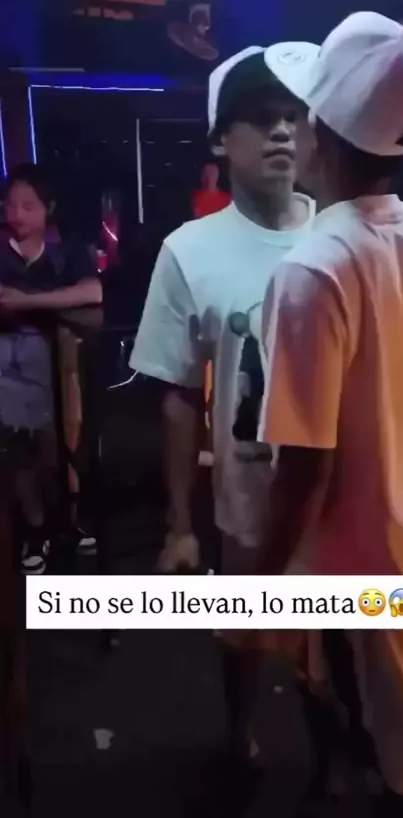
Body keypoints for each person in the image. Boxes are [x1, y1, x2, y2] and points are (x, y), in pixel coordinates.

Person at [246, 13, 403, 816]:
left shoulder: (315, 268)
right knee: (383, 760)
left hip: (361, 582)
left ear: (323, 129)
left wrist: (257, 598)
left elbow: (302, 468)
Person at [130, 45, 316, 574]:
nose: (282, 131)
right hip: (247, 519)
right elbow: (180, 395)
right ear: (219, 139)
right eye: (261, 116)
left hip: (343, 517)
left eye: (293, 115)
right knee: (249, 627)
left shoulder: (347, 235)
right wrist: (180, 527)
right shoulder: (188, 251)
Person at [0, 164, 102, 574]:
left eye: (28, 206)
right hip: (7, 365)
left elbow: (92, 291)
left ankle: (68, 520)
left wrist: (26, 302)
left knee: (61, 448)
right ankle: (35, 528)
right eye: (11, 205)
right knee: (18, 449)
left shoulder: (65, 250)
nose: (17, 214)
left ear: (49, 209)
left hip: (57, 363)